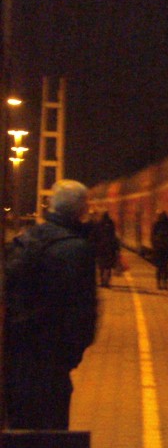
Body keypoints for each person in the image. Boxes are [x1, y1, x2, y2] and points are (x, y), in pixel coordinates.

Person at [3, 179, 99, 430]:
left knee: (17, 433)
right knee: (50, 437)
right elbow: (83, 316)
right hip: (51, 365)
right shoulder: (77, 250)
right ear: (81, 210)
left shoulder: (25, 241)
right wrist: (68, 358)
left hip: (15, 363)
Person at [92, 211, 120, 287]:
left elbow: (94, 237)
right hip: (110, 250)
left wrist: (94, 247)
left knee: (101, 266)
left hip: (100, 249)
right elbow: (114, 237)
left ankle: (102, 281)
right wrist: (117, 249)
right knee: (108, 267)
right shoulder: (111, 224)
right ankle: (107, 282)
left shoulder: (98, 224)